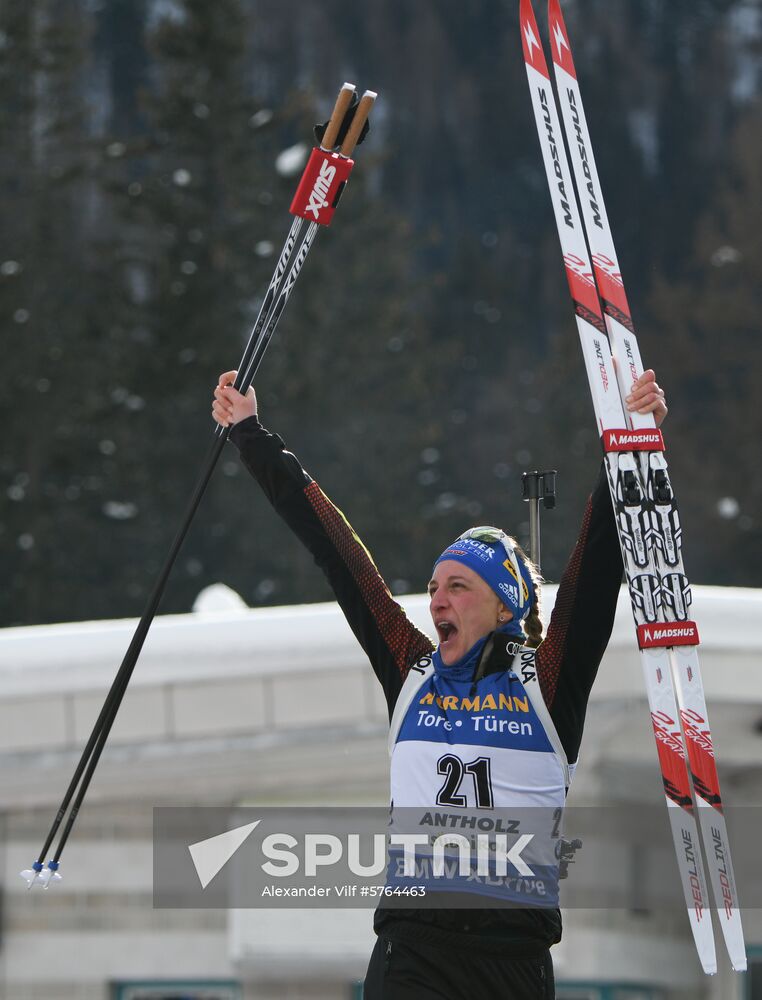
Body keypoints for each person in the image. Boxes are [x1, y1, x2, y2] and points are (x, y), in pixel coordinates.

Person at [212, 369, 667, 1000]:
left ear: (505, 604)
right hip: (415, 951)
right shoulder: (411, 671)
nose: (437, 601)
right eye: (432, 588)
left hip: (513, 960)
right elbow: (336, 552)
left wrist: (630, 442)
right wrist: (252, 436)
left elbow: (596, 568)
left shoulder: (547, 683)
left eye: (458, 586)